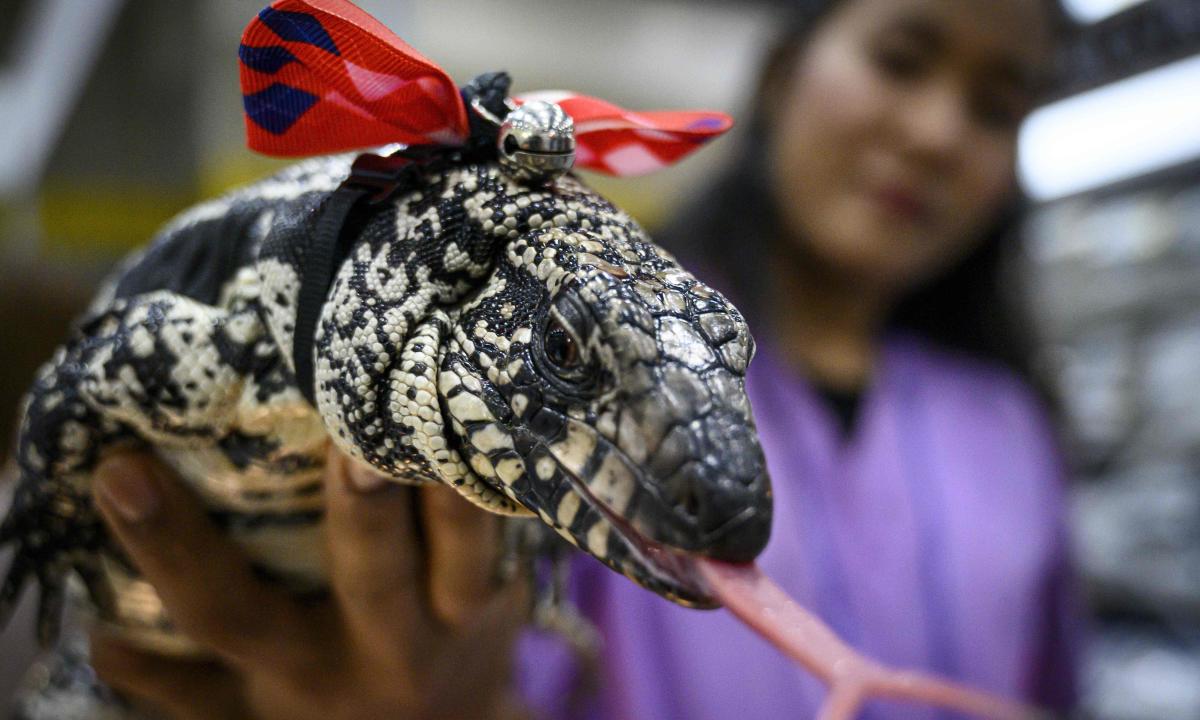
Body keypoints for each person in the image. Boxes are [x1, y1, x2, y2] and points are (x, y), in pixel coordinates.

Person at [61, 0, 1079, 717]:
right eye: (902, 57)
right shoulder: (498, 325)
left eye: (997, 106)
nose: (939, 131)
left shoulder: (1012, 432)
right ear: (782, 74)